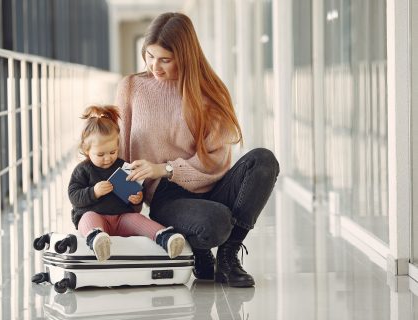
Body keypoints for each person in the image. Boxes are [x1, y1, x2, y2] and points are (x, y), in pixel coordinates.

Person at [116, 12, 280, 287]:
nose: (155, 66)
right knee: (215, 222)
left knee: (264, 160)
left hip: (212, 185)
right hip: (167, 197)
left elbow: (216, 162)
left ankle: (228, 257)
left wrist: (166, 168)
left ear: (185, 56)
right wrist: (113, 208)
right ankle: (201, 250)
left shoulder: (210, 92)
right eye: (150, 56)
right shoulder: (132, 88)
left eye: (165, 59)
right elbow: (121, 154)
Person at [68, 105, 186, 261]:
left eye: (112, 152)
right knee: (88, 218)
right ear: (86, 150)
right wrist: (94, 192)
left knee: (137, 220)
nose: (108, 158)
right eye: (100, 154)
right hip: (95, 216)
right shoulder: (83, 170)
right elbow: (73, 195)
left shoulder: (123, 166)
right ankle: (97, 239)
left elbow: (136, 193)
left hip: (121, 217)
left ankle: (165, 237)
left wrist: (137, 198)